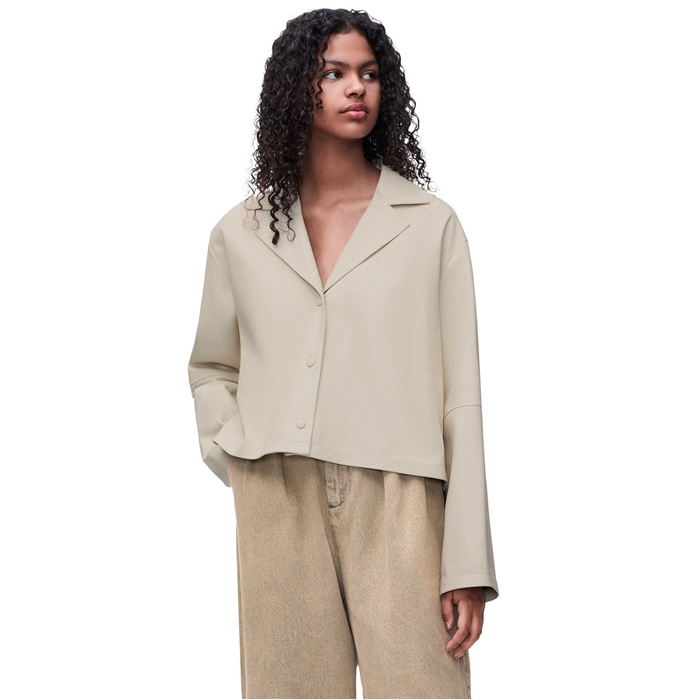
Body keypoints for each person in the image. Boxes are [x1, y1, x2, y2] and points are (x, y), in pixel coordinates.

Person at [188, 8, 499, 699]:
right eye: (333, 73)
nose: (356, 88)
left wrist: (467, 560)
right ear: (295, 87)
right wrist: (236, 456)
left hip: (402, 497)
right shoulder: (240, 233)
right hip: (277, 492)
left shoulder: (430, 227)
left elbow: (463, 399)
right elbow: (212, 366)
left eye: (369, 73)